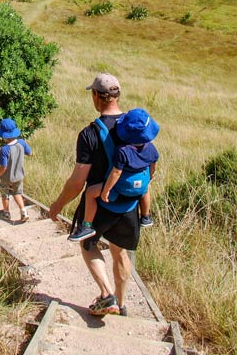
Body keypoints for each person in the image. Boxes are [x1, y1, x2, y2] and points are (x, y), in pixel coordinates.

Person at [48, 73, 144, 317]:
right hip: (129, 202)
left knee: (88, 243)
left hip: (99, 203)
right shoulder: (136, 127)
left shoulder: (89, 134)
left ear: (96, 97)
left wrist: (58, 205)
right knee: (120, 252)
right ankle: (121, 305)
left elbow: (78, 181)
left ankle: (106, 294)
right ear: (117, 96)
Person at [68, 107, 160, 242]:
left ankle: (87, 225)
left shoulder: (122, 151)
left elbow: (116, 173)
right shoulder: (151, 149)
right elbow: (153, 167)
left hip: (119, 188)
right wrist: (149, 178)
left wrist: (106, 191)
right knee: (145, 190)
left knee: (90, 193)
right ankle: (145, 216)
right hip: (140, 187)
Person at [0, 118, 32, 223]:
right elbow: (30, 153)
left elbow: (3, 167)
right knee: (17, 193)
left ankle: (6, 213)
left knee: (5, 194)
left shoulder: (4, 149)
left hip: (6, 178)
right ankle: (23, 212)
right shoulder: (21, 142)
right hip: (19, 176)